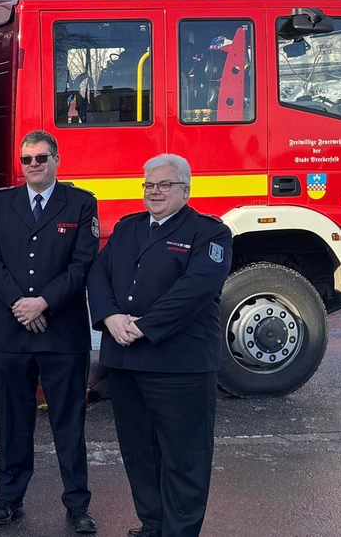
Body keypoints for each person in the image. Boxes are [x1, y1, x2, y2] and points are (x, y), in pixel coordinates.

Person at [88, 153, 232, 537]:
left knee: (185, 457)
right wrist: (110, 317)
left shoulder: (209, 233)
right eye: (149, 185)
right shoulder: (128, 228)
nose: (155, 192)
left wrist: (144, 326)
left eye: (164, 185)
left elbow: (195, 290)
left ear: (185, 189)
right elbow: (99, 273)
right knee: (138, 453)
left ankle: (179, 531)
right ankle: (152, 525)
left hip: (179, 364)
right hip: (126, 361)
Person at [0, 130, 99, 532]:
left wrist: (43, 302)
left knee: (69, 422)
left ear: (56, 160)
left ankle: (78, 505)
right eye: (27, 159)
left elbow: (82, 264)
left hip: (61, 333)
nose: (33, 165)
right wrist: (21, 304)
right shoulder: (2, 202)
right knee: (13, 421)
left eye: (41, 158)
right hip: (14, 333)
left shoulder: (81, 203)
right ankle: (8, 499)